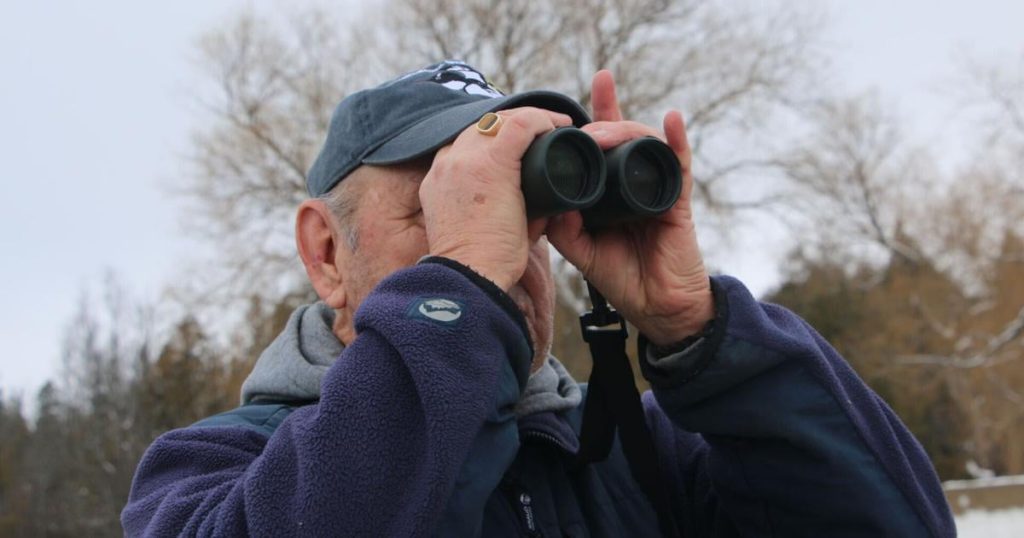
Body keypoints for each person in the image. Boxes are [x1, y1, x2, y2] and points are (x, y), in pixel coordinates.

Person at [122, 60, 955, 537]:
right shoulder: (205, 475)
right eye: (445, 203)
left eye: (520, 203)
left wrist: (702, 334)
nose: (506, 241)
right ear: (326, 253)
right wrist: (456, 298)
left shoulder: (643, 453)